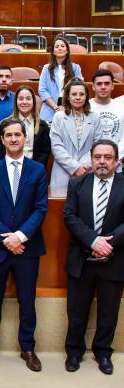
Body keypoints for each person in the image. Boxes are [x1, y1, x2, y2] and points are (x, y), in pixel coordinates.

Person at [0, 119, 48, 372]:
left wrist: (20, 236)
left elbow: (41, 209)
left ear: (25, 137)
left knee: (27, 302)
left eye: (17, 134)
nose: (13, 139)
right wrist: (6, 239)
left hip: (27, 249)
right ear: (2, 140)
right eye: (8, 135)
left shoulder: (38, 170)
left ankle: (28, 348)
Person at [63, 139, 124, 375]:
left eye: (108, 157)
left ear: (116, 161)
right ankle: (74, 352)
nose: (102, 161)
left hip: (115, 258)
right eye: (98, 156)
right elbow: (70, 217)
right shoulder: (78, 183)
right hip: (82, 259)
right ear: (91, 158)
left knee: (108, 312)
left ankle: (103, 353)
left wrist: (109, 243)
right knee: (77, 311)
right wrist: (93, 241)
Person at [50, 78, 102, 190]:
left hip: (88, 170)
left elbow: (98, 145)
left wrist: (83, 166)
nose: (78, 97)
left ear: (86, 96)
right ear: (68, 97)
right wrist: (74, 167)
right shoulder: (59, 117)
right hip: (63, 171)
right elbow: (56, 146)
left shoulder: (95, 117)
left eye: (81, 94)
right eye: (74, 94)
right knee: (60, 206)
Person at [39, 35, 83, 122]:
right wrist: (55, 107)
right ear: (53, 51)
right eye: (57, 46)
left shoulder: (75, 68)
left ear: (67, 50)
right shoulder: (46, 68)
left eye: (62, 46)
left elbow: (80, 89)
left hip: (71, 108)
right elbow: (42, 90)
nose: (60, 48)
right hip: (50, 109)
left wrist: (66, 107)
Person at [8, 85, 51, 166]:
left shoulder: (43, 125)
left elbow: (44, 152)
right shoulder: (7, 124)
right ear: (16, 101)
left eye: (28, 99)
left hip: (35, 169)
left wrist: (35, 169)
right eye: (21, 99)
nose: (24, 102)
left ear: (33, 102)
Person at [90, 69, 124, 167]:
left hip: (116, 163)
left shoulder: (121, 107)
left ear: (112, 86)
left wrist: (115, 158)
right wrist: (92, 161)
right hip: (90, 164)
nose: (103, 87)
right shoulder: (86, 107)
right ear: (93, 86)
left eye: (107, 83)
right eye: (99, 84)